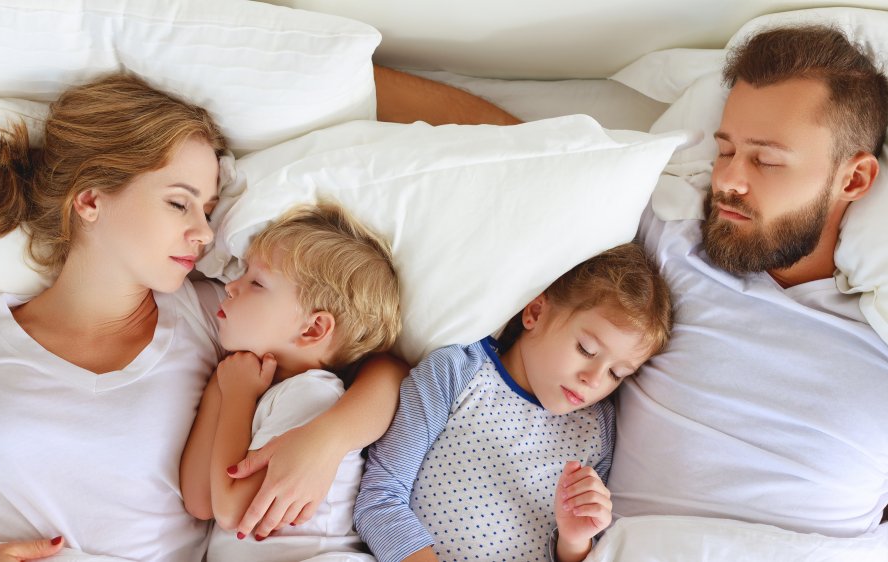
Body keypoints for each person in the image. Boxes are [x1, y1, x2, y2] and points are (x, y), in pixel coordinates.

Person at [375, 24, 888, 537]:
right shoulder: (672, 249)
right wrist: (348, 74)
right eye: (726, 151)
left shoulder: (877, 340)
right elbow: (520, 151)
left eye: (767, 160)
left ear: (854, 179)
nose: (728, 180)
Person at [0, 73, 407, 561]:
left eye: (207, 209)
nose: (204, 233)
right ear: (90, 200)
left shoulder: (214, 317)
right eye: (180, 204)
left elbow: (381, 367)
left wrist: (330, 439)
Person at [355, 243, 673, 562]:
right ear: (535, 313)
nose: (594, 379)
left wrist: (575, 541)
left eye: (616, 374)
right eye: (587, 350)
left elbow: (582, 550)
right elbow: (379, 497)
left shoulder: (597, 429)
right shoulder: (457, 372)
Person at [180, 203, 401, 562]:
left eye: (256, 282)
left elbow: (234, 511)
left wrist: (236, 396)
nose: (231, 287)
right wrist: (221, 392)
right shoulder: (256, 390)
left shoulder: (314, 393)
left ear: (312, 328)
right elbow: (199, 500)